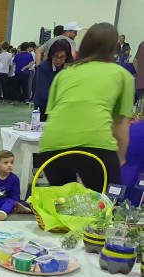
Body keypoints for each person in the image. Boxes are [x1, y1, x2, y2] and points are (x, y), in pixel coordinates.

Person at [39, 23, 134, 192]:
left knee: (63, 203)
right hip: (96, 145)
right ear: (113, 48)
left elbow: (53, 115)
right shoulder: (121, 74)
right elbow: (120, 128)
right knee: (108, 202)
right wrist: (119, 159)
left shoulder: (64, 74)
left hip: (52, 146)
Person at [33, 39, 73, 121]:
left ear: (67, 56)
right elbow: (44, 93)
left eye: (62, 57)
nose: (58, 60)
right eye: (55, 57)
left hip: (62, 105)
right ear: (51, 55)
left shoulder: (69, 68)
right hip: (43, 105)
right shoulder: (43, 67)